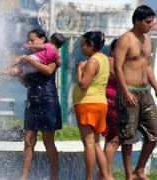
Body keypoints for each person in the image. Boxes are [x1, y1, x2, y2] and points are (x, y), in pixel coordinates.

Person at [114, 5, 157, 180]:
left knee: (154, 134)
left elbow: (147, 66)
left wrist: (155, 87)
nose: (150, 25)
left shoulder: (147, 39)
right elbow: (117, 67)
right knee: (128, 137)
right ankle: (128, 175)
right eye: (147, 22)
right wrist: (125, 92)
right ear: (138, 21)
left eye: (151, 21)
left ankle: (139, 170)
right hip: (128, 91)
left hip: (144, 92)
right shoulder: (125, 39)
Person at [18, 29, 62, 180]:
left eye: (32, 40)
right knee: (28, 141)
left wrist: (30, 61)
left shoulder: (50, 54)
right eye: (28, 41)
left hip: (47, 101)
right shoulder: (32, 57)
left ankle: (54, 177)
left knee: (48, 141)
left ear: (43, 40)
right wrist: (20, 75)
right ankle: (23, 177)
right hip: (32, 101)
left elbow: (49, 71)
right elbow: (26, 83)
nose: (30, 43)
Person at [72, 31, 109, 180]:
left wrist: (79, 70)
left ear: (91, 45)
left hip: (88, 104)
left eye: (83, 45)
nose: (81, 47)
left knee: (88, 144)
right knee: (95, 144)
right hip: (100, 103)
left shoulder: (92, 61)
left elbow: (83, 85)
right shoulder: (104, 58)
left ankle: (89, 178)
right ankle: (106, 176)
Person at [1, 32, 66, 77]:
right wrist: (57, 66)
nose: (29, 42)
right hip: (38, 67)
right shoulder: (57, 53)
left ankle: (8, 67)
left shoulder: (49, 45)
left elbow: (39, 46)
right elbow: (59, 63)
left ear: (51, 39)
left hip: (36, 58)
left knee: (21, 58)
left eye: (32, 40)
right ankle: (7, 72)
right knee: (22, 70)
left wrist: (29, 46)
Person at [101, 39, 119, 180]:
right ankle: (105, 174)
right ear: (113, 50)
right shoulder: (114, 62)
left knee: (110, 141)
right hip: (113, 104)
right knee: (113, 140)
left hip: (105, 103)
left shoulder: (103, 60)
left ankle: (103, 173)